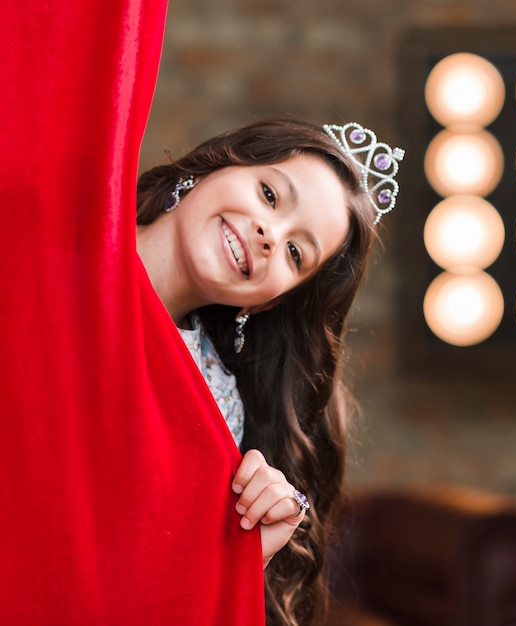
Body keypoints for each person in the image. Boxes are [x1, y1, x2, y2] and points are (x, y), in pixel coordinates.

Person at [136, 116, 404, 626]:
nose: (267, 234)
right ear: (218, 163)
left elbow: (145, 585)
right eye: (269, 194)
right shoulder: (50, 233)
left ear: (271, 302)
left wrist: (241, 555)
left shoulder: (213, 407)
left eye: (295, 252)